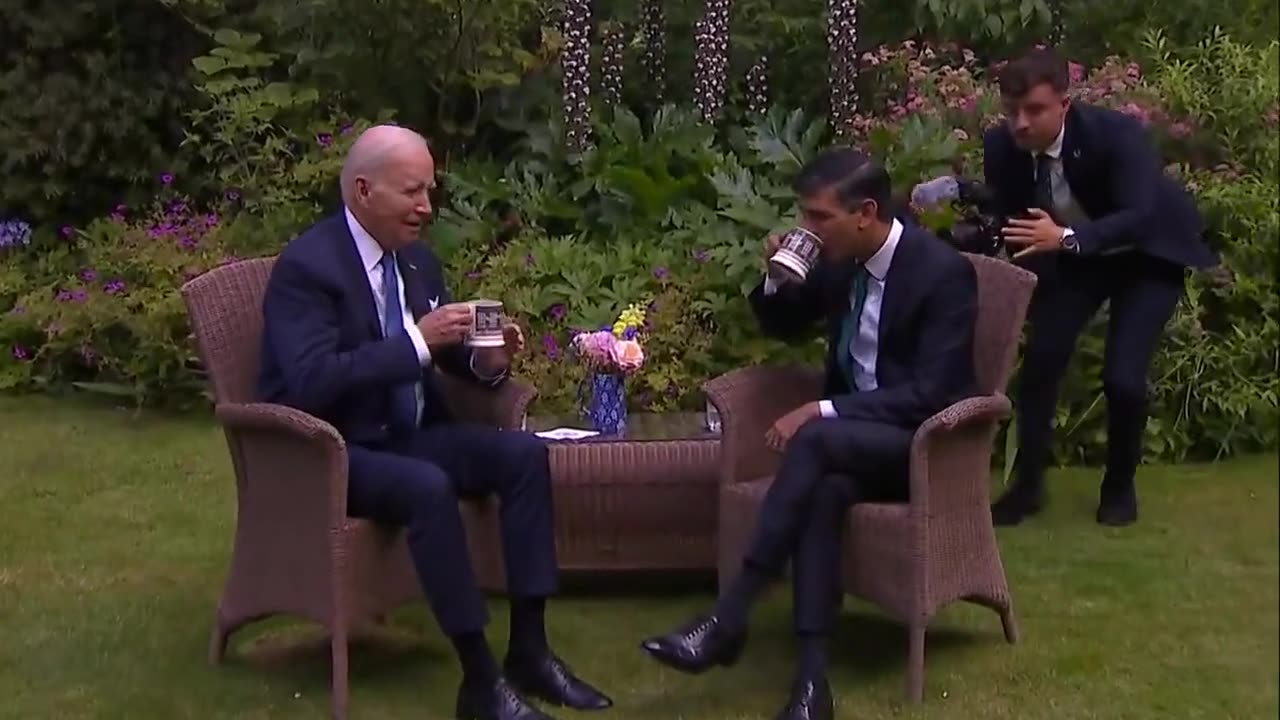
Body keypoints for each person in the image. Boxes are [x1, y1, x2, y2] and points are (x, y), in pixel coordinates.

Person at [256, 125, 611, 720]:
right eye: (412, 192)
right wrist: (420, 339)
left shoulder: (415, 260)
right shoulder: (308, 269)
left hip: (412, 435)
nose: (426, 206)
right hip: (338, 449)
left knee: (524, 456)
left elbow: (439, 357)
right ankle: (479, 680)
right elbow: (312, 380)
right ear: (364, 191)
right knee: (428, 489)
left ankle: (529, 650)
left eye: (430, 190)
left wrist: (486, 362)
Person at [639, 148, 979, 720]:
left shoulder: (942, 273)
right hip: (856, 444)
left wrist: (821, 410)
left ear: (865, 212)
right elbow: (784, 324)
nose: (807, 230)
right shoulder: (842, 258)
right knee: (822, 491)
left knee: (816, 439)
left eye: (818, 218)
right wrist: (775, 278)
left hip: (921, 443)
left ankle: (730, 616)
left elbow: (933, 395)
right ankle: (811, 686)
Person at [984, 47, 1218, 527]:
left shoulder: (1117, 135)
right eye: (1012, 112)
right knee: (1041, 365)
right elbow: (1015, 218)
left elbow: (1138, 215)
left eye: (1034, 110)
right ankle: (1027, 489)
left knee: (1123, 378)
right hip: (1077, 261)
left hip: (1148, 254)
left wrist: (1068, 238)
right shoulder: (1002, 147)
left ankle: (1119, 488)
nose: (1021, 124)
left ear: (1064, 105)